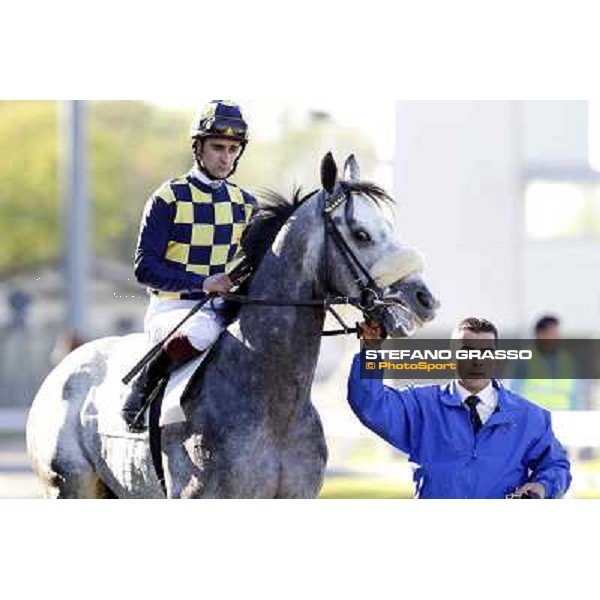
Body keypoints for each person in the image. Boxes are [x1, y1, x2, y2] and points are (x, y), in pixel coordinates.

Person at [121, 100, 257, 431]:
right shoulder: (168, 197)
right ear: (198, 148)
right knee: (203, 331)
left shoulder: (247, 204)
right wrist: (202, 284)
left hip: (224, 308)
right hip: (173, 311)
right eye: (217, 147)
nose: (226, 157)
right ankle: (143, 386)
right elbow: (144, 268)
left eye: (233, 149)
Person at [347, 317, 572, 499]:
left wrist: (543, 487)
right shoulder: (421, 406)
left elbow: (557, 465)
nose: (476, 361)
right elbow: (370, 404)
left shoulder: (530, 417)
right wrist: (371, 350)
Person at [510, 315, 582, 411]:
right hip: (534, 420)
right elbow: (514, 392)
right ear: (540, 334)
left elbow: (576, 395)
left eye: (557, 333)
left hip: (563, 419)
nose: (557, 337)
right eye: (552, 333)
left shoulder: (567, 360)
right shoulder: (524, 359)